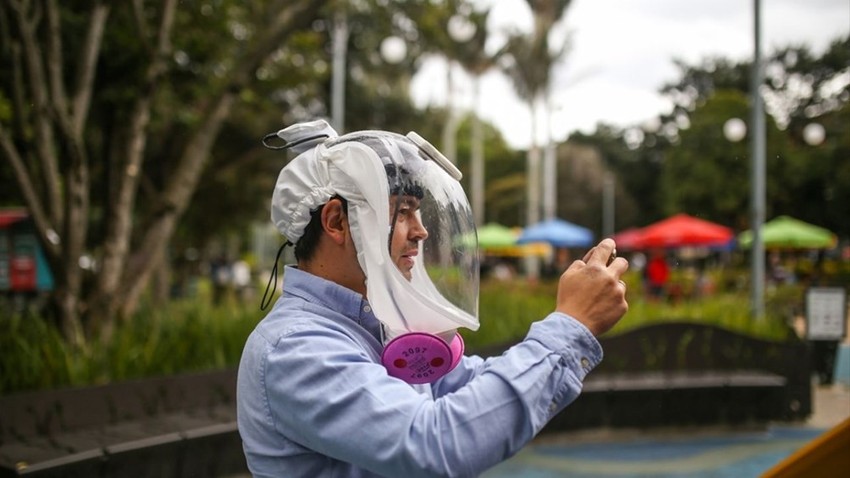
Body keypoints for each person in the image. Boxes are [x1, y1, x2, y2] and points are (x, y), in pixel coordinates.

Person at [236, 119, 629, 478]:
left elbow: (465, 386)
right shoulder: (296, 349)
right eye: (402, 212)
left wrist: (569, 329)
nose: (421, 232)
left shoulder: (381, 325)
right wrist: (570, 326)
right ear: (337, 222)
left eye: (418, 212)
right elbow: (435, 445)